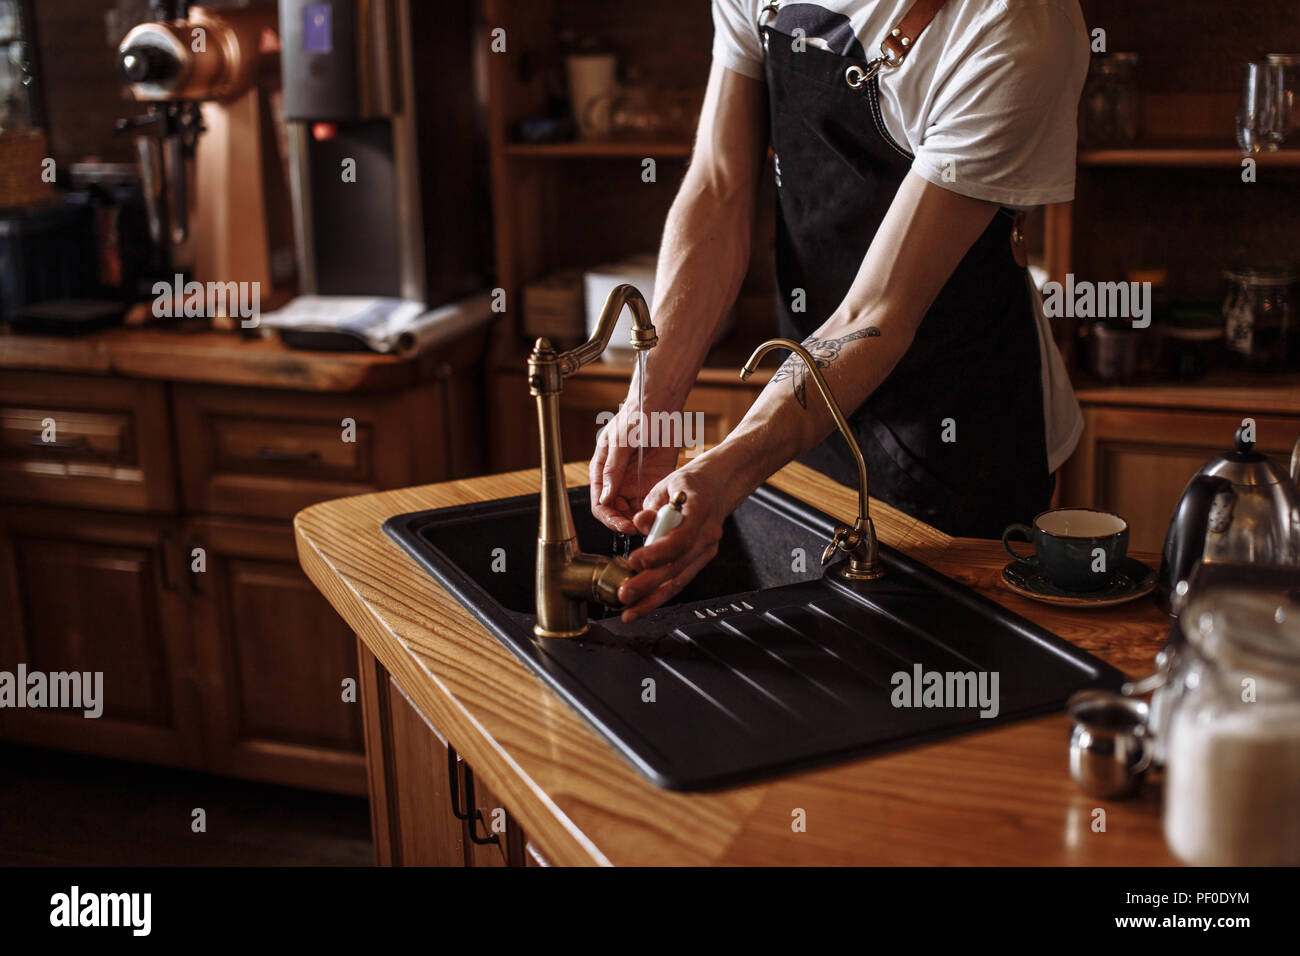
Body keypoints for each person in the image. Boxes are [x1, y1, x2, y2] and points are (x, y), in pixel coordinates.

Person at [590, 0, 1088, 622]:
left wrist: (727, 469)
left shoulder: (1009, 26)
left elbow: (877, 311)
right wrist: (651, 399)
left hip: (960, 436)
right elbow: (720, 186)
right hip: (801, 413)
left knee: (944, 677)